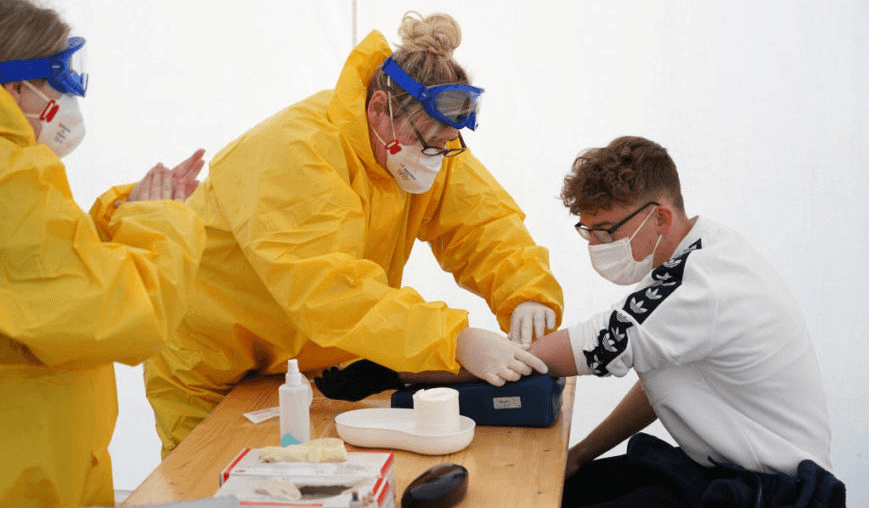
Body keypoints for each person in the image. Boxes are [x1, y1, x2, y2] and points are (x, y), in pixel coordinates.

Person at [144, 11, 564, 457]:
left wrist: (526, 291)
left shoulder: (422, 144)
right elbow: (331, 292)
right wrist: (454, 339)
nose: (436, 158)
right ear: (378, 110)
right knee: (215, 485)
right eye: (428, 144)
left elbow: (481, 222)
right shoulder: (297, 152)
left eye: (447, 145)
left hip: (300, 367)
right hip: (209, 365)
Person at [528, 136, 845, 506]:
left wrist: (469, 355)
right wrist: (581, 454)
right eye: (588, 232)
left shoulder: (700, 283)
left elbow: (582, 348)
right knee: (561, 490)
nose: (596, 246)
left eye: (606, 231)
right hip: (725, 469)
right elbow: (662, 380)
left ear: (660, 216)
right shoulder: (700, 247)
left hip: (778, 492)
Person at [0, 1, 207, 506]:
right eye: (61, 79)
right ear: (17, 88)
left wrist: (120, 217)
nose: (70, 96)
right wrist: (162, 223)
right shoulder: (10, 174)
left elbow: (37, 278)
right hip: (30, 476)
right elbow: (123, 315)